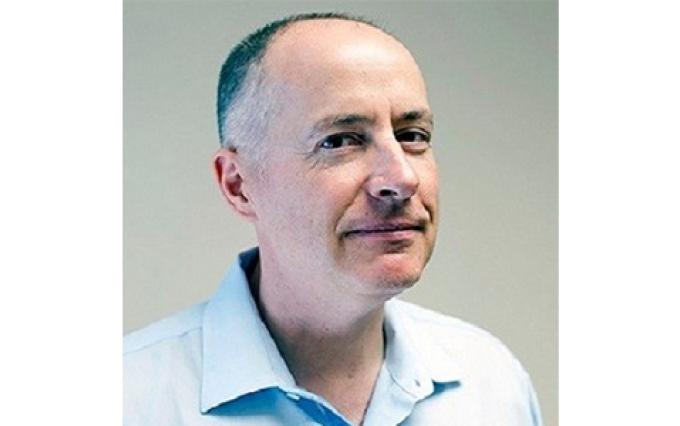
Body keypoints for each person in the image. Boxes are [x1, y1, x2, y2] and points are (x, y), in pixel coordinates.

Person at [124, 12, 542, 426]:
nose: (402, 178)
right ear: (238, 185)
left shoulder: (491, 384)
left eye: (412, 136)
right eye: (340, 141)